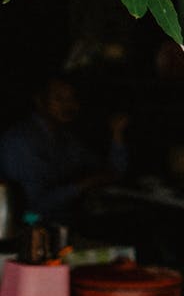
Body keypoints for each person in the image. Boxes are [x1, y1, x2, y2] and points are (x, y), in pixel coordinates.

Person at [0, 75, 128, 224]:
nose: (69, 105)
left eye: (72, 99)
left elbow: (113, 171)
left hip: (56, 221)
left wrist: (117, 133)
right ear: (40, 101)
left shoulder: (67, 140)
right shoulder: (20, 140)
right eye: (59, 99)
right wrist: (82, 185)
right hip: (23, 223)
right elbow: (32, 208)